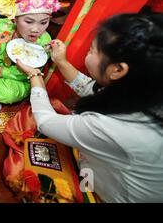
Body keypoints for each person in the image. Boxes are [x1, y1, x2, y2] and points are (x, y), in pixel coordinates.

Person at [16, 11, 163, 202]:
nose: (88, 51)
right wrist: (61, 62)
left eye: (92, 50)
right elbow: (90, 89)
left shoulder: (111, 127)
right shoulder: (145, 90)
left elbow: (45, 122)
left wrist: (34, 75)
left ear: (118, 70)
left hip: (109, 193)